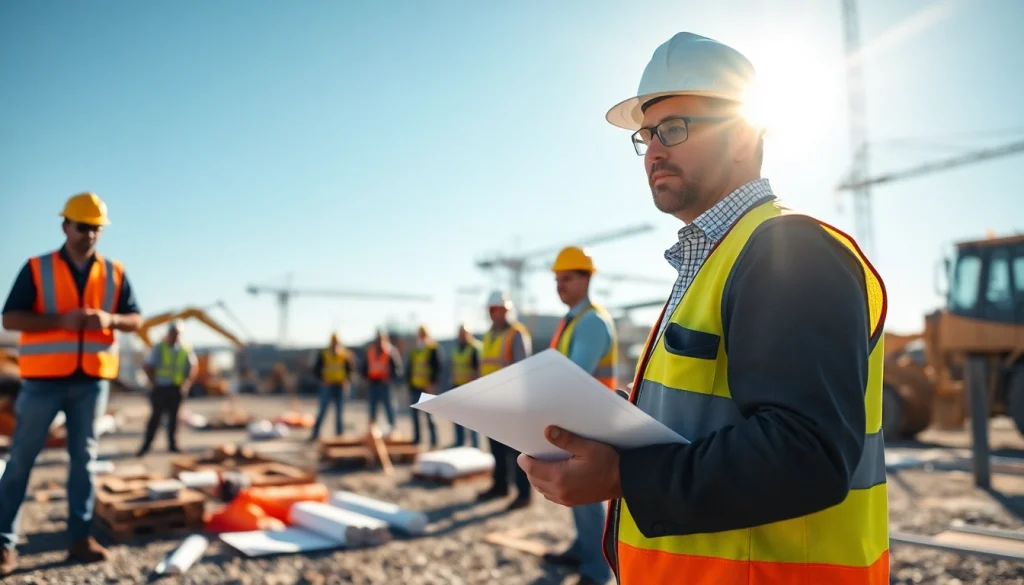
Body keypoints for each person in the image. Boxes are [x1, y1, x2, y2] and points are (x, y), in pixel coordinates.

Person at [517, 32, 889, 585]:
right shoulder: (717, 259)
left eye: (673, 129)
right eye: (647, 135)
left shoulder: (791, 252)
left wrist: (625, 474)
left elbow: (805, 454)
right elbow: (704, 412)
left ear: (742, 136)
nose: (655, 151)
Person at [0, 192, 143, 575]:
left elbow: (136, 320)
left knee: (84, 460)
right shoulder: (36, 269)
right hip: (42, 380)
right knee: (21, 460)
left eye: (96, 228)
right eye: (83, 227)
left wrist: (110, 320)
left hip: (91, 381)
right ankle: (2, 543)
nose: (90, 234)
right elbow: (10, 319)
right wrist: (59, 321)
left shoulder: (114, 272)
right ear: (65, 226)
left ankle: (80, 537)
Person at [542, 246, 618, 585]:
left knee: (586, 496)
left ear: (587, 279)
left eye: (568, 278)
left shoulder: (592, 322)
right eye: (557, 279)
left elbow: (571, 375)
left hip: (591, 420)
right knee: (578, 497)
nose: (560, 285)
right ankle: (583, 549)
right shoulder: (572, 321)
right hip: (577, 418)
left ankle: (597, 571)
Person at [476, 290, 533, 510]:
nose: (493, 314)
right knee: (496, 449)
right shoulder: (489, 335)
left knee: (517, 451)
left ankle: (523, 494)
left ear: (506, 310)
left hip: (512, 403)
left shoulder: (516, 334)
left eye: (496, 309)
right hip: (492, 403)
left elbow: (523, 369)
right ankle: (500, 486)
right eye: (490, 310)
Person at [137, 320, 197, 455]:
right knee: (155, 418)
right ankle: (146, 446)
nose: (175, 336)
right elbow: (148, 366)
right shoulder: (159, 347)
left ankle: (172, 445)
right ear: (169, 333)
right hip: (161, 388)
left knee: (174, 418)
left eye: (178, 333)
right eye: (173, 333)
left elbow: (192, 367)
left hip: (176, 388)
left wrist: (186, 383)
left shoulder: (184, 349)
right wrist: (154, 383)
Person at [308, 331, 356, 441]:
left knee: (340, 412)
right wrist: (322, 379)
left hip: (340, 386)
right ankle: (315, 434)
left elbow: (350, 370)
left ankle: (339, 436)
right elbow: (316, 369)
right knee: (322, 410)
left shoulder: (344, 354)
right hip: (327, 385)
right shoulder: (324, 354)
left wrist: (347, 380)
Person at [407, 325, 442, 448]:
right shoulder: (415, 350)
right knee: (415, 416)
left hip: (427, 387)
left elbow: (437, 368)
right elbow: (411, 368)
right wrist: (410, 384)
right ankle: (417, 439)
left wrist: (432, 384)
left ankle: (434, 441)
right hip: (416, 386)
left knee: (430, 416)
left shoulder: (433, 348)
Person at [361, 329, 402, 433]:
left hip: (385, 384)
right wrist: (366, 378)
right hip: (373, 383)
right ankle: (372, 431)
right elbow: (364, 367)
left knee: (389, 407)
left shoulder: (390, 351)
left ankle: (392, 430)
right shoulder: (371, 351)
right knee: (372, 409)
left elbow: (397, 369)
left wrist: (390, 377)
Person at [449, 323, 480, 448]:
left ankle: (475, 446)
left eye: (464, 334)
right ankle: (459, 444)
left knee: (472, 421)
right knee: (458, 419)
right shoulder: (456, 349)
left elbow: (478, 369)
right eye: (460, 334)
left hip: (471, 389)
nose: (462, 336)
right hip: (457, 387)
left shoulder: (474, 348)